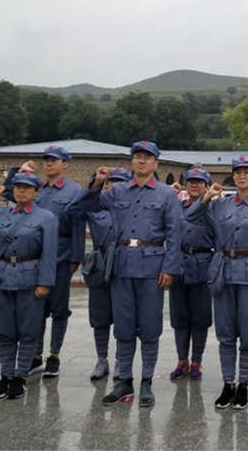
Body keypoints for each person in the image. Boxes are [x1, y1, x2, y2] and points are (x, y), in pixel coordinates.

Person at [77, 140, 182, 407]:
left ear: (155, 163)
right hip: (121, 264)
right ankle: (123, 380)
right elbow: (88, 206)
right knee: (123, 326)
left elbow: (174, 234)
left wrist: (169, 268)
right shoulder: (117, 191)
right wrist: (97, 182)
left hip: (152, 266)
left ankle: (146, 381)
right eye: (137, 157)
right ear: (132, 162)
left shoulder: (166, 194)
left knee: (149, 327)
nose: (142, 161)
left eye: (147, 157)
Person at [184, 155, 248, 410]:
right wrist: (206, 197)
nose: (241, 176)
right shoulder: (220, 205)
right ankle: (228, 384)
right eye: (237, 172)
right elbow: (190, 216)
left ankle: (243, 384)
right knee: (225, 334)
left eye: (247, 172)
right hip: (223, 273)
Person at [0, 172, 57, 400]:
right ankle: (5, 376)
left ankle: (19, 377)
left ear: (36, 192)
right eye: (17, 187)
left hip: (30, 279)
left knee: (28, 331)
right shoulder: (0, 213)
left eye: (26, 187)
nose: (21, 191)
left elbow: (49, 252)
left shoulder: (46, 217)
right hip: (2, 278)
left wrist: (45, 283)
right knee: (4, 331)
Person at [3, 145, 86, 378]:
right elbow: (10, 194)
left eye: (54, 160)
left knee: (59, 309)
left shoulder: (74, 191)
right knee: (35, 309)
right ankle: (35, 354)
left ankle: (54, 355)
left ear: (65, 164)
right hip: (34, 255)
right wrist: (17, 172)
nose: (49, 164)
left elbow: (79, 226)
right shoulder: (36, 186)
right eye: (46, 160)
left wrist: (76, 257)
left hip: (60, 255)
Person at [79, 166, 132, 381]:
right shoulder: (95, 209)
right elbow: (80, 206)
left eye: (120, 182)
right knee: (99, 316)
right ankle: (102, 359)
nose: (114, 186)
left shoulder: (133, 209)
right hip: (100, 264)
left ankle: (121, 360)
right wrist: (96, 182)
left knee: (123, 316)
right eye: (111, 182)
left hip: (124, 263)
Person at [169, 167, 215, 381]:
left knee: (200, 318)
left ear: (206, 186)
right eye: (190, 181)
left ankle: (196, 361)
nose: (194, 185)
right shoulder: (177, 207)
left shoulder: (213, 209)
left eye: (199, 182)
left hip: (203, 264)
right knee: (180, 317)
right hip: (179, 264)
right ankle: (182, 360)